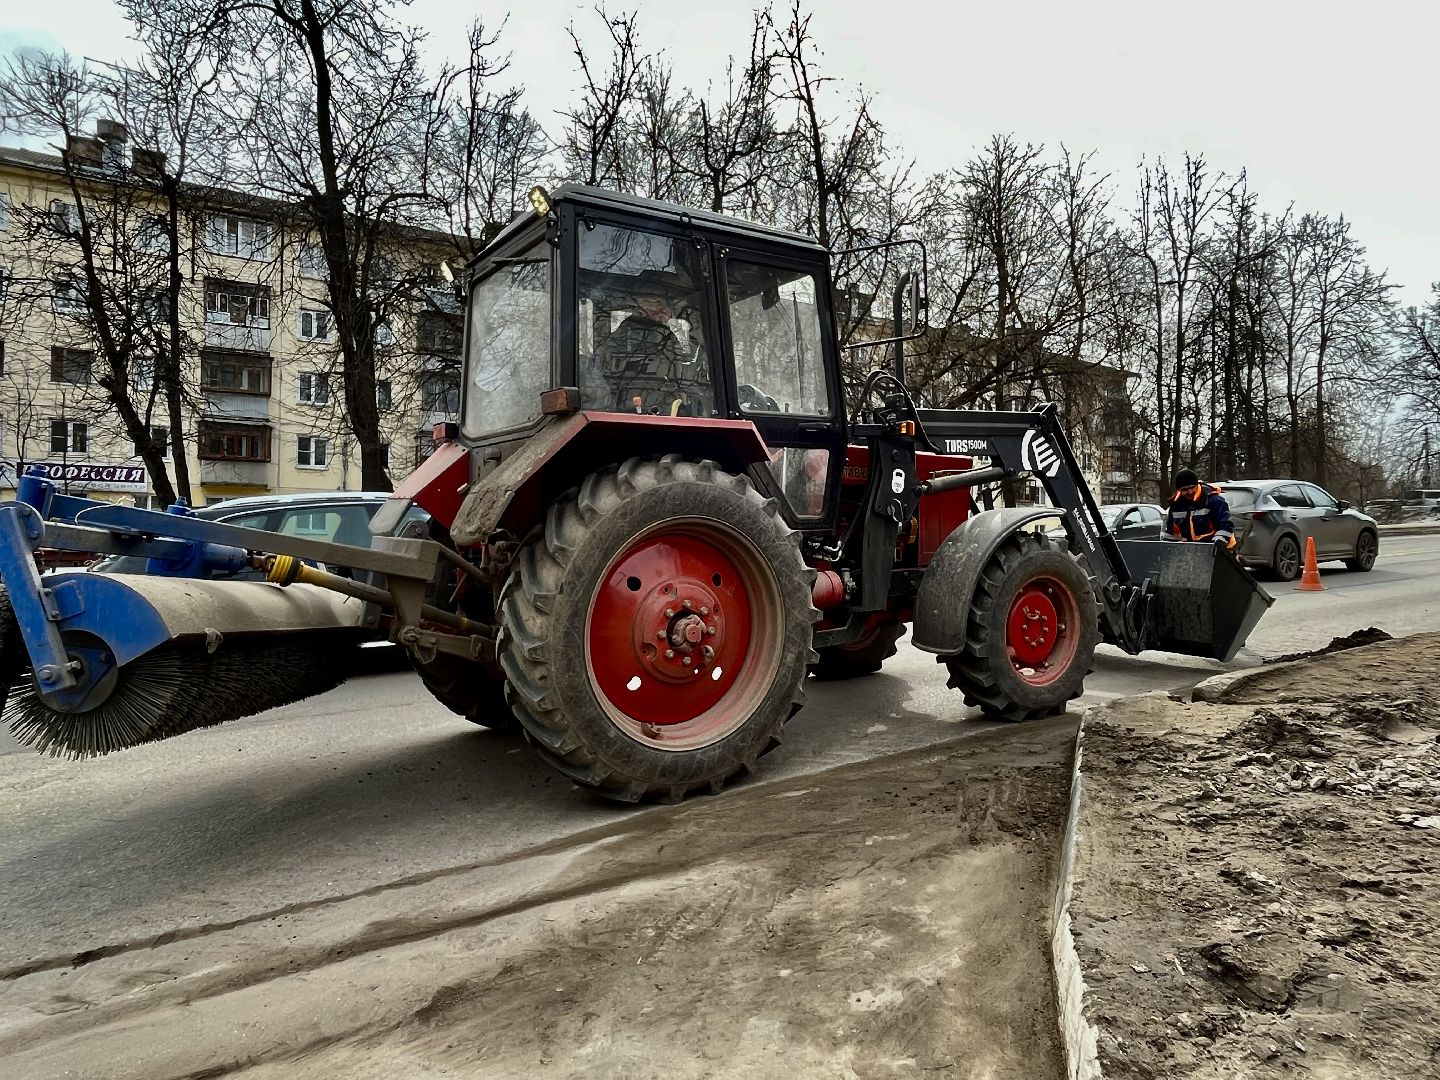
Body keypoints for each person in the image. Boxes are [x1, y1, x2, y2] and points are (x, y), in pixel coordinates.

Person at [1166, 468, 1235, 548]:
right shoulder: (1175, 506)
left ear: (1197, 485)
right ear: (1179, 491)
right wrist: (1166, 549)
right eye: (1185, 489)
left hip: (1219, 549)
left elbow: (1225, 525)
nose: (1190, 492)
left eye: (1192, 487)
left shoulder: (1213, 500)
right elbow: (1171, 534)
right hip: (1191, 551)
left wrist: (1217, 545)